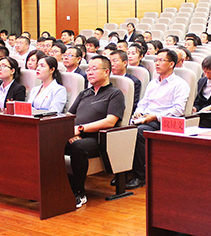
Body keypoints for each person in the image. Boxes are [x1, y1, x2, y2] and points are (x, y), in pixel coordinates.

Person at [66, 55, 126, 208]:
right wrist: (69, 132)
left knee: (78, 147)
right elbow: (69, 116)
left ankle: (79, 193)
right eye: (88, 69)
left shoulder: (115, 94)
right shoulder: (84, 93)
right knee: (47, 141)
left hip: (98, 139)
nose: (89, 72)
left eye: (94, 69)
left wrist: (80, 129)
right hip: (75, 134)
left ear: (106, 72)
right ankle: (54, 187)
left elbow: (110, 121)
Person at [128, 49, 190, 190]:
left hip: (163, 122)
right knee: (122, 130)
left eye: (161, 60)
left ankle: (140, 176)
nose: (157, 63)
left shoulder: (180, 84)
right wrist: (138, 112)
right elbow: (143, 102)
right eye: (156, 60)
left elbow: (178, 110)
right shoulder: (153, 83)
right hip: (145, 118)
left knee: (139, 132)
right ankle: (124, 171)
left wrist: (155, 117)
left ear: (171, 64)